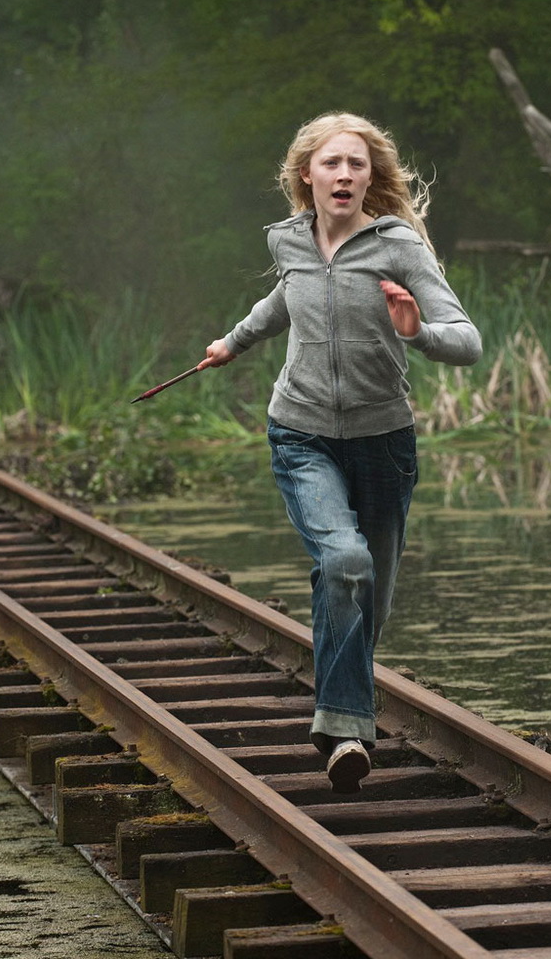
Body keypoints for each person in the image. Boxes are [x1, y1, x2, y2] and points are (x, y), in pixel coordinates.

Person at [197, 111, 482, 793]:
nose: (345, 174)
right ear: (308, 175)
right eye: (332, 162)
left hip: (383, 444)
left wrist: (416, 332)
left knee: (368, 598)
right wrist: (233, 342)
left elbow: (466, 341)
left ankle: (339, 716)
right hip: (301, 434)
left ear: (370, 176)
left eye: (357, 163)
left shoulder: (399, 248)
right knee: (344, 562)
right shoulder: (291, 241)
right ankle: (346, 729)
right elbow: (285, 298)